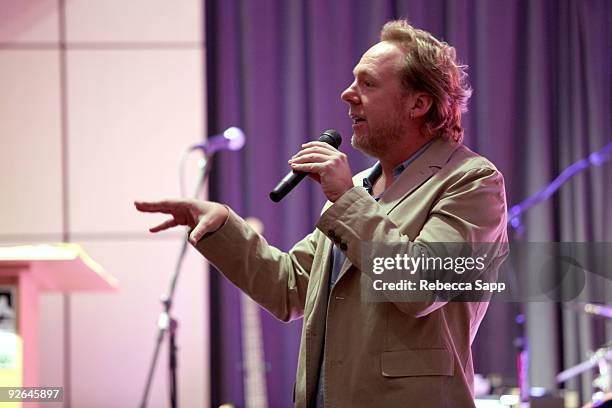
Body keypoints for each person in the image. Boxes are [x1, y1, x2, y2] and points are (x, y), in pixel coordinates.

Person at [135, 20, 508, 408]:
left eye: (368, 83)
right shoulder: (360, 187)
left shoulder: (471, 181)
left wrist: (346, 197)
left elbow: (421, 287)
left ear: (418, 103)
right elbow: (289, 288)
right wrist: (223, 228)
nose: (347, 94)